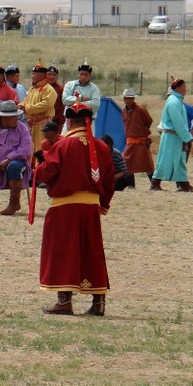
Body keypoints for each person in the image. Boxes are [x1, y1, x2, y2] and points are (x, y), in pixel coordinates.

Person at [34, 101, 114, 316]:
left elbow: (47, 172)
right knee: (92, 252)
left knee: (63, 251)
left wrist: (38, 167)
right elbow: (108, 180)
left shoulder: (62, 146)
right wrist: (103, 204)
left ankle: (64, 301)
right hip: (90, 207)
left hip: (65, 207)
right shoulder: (102, 147)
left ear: (69, 121)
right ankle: (98, 302)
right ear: (89, 121)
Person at [151, 78, 193, 192]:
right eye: (184, 87)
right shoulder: (174, 102)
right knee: (165, 160)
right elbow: (178, 122)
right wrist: (187, 137)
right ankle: (155, 183)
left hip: (175, 136)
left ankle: (183, 184)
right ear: (179, 88)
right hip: (172, 136)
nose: (186, 89)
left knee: (179, 159)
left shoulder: (175, 100)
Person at [20, 63, 57, 152]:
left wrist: (27, 108)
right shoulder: (32, 89)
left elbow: (46, 105)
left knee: (40, 150)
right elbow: (26, 100)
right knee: (30, 150)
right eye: (32, 73)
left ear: (43, 75)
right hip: (31, 124)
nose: (33, 76)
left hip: (43, 125)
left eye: (35, 74)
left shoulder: (49, 89)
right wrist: (21, 105)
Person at [120, 88, 154, 185]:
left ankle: (154, 184)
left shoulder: (140, 110)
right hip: (130, 143)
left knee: (147, 165)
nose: (127, 100)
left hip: (141, 142)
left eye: (129, 98)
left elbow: (148, 121)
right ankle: (131, 185)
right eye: (125, 98)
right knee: (127, 164)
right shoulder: (124, 112)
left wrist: (141, 131)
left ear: (133, 98)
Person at [62, 61, 102, 129]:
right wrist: (80, 98)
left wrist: (76, 104)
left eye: (86, 74)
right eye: (81, 74)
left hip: (88, 122)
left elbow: (95, 104)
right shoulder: (70, 85)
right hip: (70, 121)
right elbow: (65, 100)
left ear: (90, 75)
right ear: (78, 74)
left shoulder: (94, 88)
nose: (83, 77)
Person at [46, 66, 66, 131]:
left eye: (54, 75)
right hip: (42, 120)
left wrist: (60, 123)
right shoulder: (41, 88)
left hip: (56, 122)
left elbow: (62, 106)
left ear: (57, 77)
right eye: (49, 74)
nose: (52, 77)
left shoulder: (60, 90)